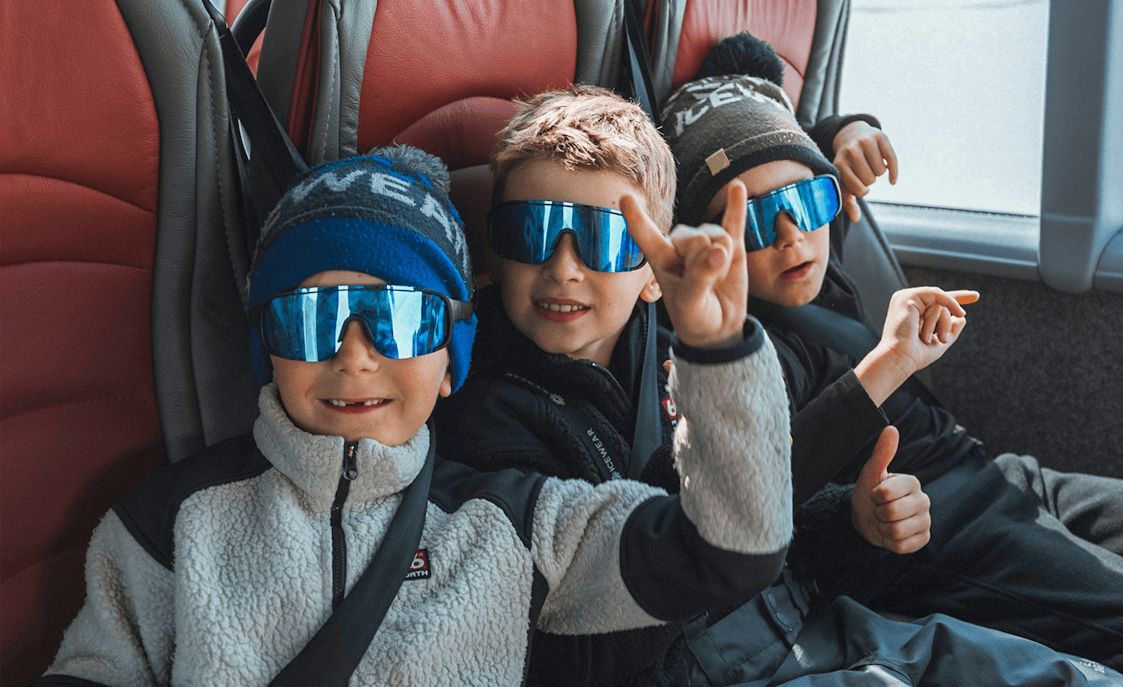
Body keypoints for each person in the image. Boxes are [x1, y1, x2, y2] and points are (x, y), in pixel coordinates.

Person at [435, 84, 1123, 687]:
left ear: (654, 268)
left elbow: (772, 538)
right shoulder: (485, 415)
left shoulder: (668, 346)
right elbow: (617, 605)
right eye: (531, 232)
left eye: (601, 239)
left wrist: (852, 524)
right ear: (492, 251)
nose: (563, 269)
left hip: (809, 620)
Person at [37, 145, 799, 686]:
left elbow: (731, 550)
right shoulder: (167, 520)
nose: (356, 354)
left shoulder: (515, 523)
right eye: (313, 320)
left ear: (449, 359)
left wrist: (716, 351)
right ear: (265, 345)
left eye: (396, 320)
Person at [660, 32, 1123, 687]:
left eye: (808, 200)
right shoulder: (733, 354)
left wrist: (846, 130)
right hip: (934, 529)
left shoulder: (814, 249)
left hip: (997, 471)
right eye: (756, 222)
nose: (792, 235)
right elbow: (755, 491)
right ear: (709, 247)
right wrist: (890, 364)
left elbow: (788, 155)